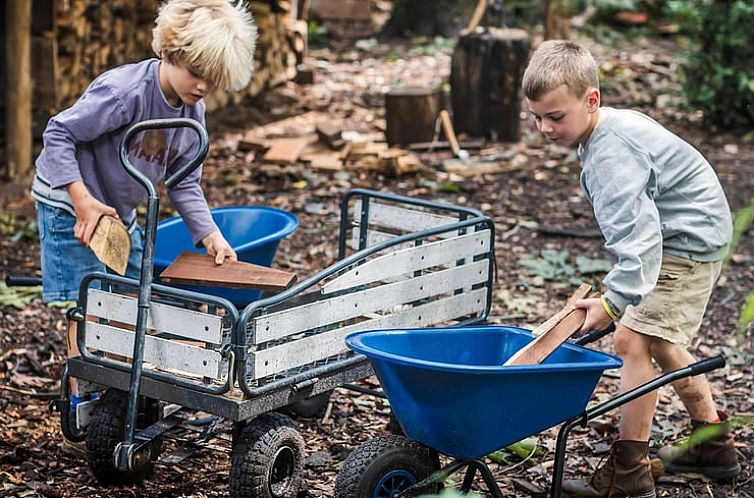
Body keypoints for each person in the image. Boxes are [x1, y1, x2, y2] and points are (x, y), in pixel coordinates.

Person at [522, 40, 740, 498]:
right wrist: (616, 295)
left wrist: (612, 302)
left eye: (555, 117)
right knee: (659, 336)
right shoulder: (604, 130)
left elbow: (640, 241)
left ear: (591, 99)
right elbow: (640, 236)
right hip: (683, 233)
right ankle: (713, 445)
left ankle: (629, 472)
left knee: (631, 338)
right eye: (536, 117)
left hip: (687, 242)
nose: (544, 128)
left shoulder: (611, 154)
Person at [32, 0, 257, 393]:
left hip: (118, 213)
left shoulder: (193, 112)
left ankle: (120, 389)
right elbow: (58, 134)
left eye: (213, 79)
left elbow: (183, 181)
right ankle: (82, 402)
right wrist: (82, 200)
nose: (203, 86)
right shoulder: (124, 93)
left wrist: (210, 235)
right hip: (71, 202)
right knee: (88, 307)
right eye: (196, 73)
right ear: (168, 51)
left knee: (132, 297)